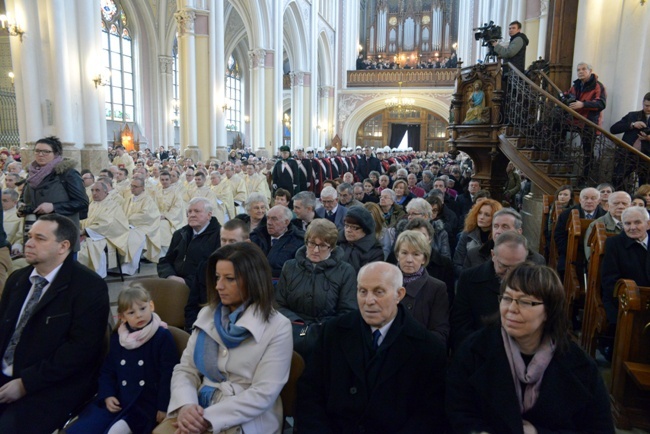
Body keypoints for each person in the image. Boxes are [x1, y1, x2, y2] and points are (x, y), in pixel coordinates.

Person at [446, 263, 614, 434]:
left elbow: (600, 428)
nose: (511, 309)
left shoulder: (581, 367)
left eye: (525, 302)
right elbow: (457, 408)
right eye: (507, 298)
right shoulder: (474, 350)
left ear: (549, 310)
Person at [296, 262, 447, 433]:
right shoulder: (333, 332)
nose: (369, 301)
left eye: (379, 292)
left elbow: (430, 416)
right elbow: (309, 394)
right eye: (362, 291)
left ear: (399, 294)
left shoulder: (427, 348)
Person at [163, 243, 293, 434]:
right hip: (198, 407)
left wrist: (207, 419)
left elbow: (263, 394)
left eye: (229, 279)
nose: (218, 286)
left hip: (248, 420)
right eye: (217, 277)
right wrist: (186, 405)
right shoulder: (207, 314)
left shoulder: (278, 326)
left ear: (253, 281)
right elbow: (185, 369)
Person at [0, 214, 109, 433]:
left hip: (49, 384)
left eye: (40, 238)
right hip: (6, 373)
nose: (29, 243)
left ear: (63, 246)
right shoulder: (18, 279)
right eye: (29, 236)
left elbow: (80, 351)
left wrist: (26, 384)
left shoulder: (88, 287)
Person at [67, 285, 178, 434]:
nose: (139, 315)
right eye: (131, 312)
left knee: (115, 431)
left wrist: (163, 406)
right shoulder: (118, 338)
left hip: (145, 404)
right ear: (122, 317)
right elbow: (108, 370)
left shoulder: (162, 337)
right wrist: (107, 395)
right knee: (82, 429)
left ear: (151, 306)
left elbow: (168, 374)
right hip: (119, 400)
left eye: (143, 309)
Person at [275, 219, 357, 359]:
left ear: (332, 247)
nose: (315, 250)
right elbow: (279, 304)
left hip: (327, 335)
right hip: (292, 330)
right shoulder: (289, 267)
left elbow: (348, 311)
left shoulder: (345, 271)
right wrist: (299, 326)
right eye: (312, 243)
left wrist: (321, 329)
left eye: (322, 246)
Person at [450, 231, 530, 351]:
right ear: (493, 255)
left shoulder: (533, 283)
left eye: (516, 268)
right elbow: (460, 327)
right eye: (504, 266)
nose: (509, 274)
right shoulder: (469, 279)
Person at [20, 137, 88, 245]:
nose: (40, 154)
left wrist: (54, 207)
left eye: (46, 152)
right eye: (37, 151)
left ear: (56, 154)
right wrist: (22, 207)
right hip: (36, 228)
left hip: (60, 231)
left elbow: (82, 202)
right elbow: (23, 198)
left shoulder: (67, 173)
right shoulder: (32, 174)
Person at [395, 230, 449, 345]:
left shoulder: (437, 288)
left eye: (416, 254)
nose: (409, 259)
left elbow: (440, 333)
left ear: (424, 258)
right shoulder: (385, 283)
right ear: (397, 255)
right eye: (404, 253)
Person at [157, 198, 221, 289]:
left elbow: (214, 269)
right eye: (189, 212)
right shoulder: (180, 234)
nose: (192, 215)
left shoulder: (219, 236)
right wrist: (170, 276)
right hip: (175, 286)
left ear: (209, 215)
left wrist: (186, 282)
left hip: (202, 290)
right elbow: (167, 260)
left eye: (197, 211)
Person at [563, 62, 607, 178]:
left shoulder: (598, 86)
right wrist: (565, 98)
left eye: (583, 69)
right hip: (574, 119)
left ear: (590, 71)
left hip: (589, 122)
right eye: (578, 70)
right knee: (556, 125)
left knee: (587, 151)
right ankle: (558, 155)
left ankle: (585, 177)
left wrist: (583, 104)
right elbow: (568, 95)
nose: (580, 72)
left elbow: (601, 104)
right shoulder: (576, 85)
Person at [250, 205, 304, 279]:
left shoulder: (299, 241)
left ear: (286, 222)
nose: (269, 222)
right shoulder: (256, 236)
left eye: (274, 219)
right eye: (268, 218)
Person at [453, 198, 502, 277]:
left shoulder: (498, 237)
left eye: (487, 215)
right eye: (479, 213)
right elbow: (457, 263)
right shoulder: (467, 234)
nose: (481, 217)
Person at [610, 92, 650, 184]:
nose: (648, 108)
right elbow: (614, 129)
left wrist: (648, 138)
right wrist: (632, 124)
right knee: (617, 179)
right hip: (628, 154)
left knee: (645, 185)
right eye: (646, 105)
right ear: (642, 103)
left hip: (646, 157)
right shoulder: (633, 115)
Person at [584, 191, 631, 260]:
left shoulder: (636, 224)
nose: (620, 206)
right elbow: (590, 256)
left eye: (624, 203)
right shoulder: (596, 225)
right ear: (607, 206)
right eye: (616, 203)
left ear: (630, 206)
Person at [337, 206, 384, 273]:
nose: (348, 230)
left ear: (365, 230)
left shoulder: (375, 252)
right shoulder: (336, 242)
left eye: (354, 227)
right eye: (347, 225)